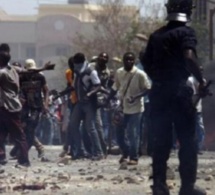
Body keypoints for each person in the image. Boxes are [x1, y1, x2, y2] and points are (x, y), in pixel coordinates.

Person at [141, 0, 206, 194]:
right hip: (179, 93)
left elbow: (145, 59)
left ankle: (159, 186)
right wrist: (200, 80)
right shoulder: (186, 32)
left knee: (161, 141)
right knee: (187, 140)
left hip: (159, 93)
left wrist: (158, 77)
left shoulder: (156, 35)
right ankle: (187, 187)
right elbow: (188, 56)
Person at [109, 52, 151, 165]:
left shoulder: (140, 74)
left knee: (133, 133)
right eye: (127, 59)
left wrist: (136, 97)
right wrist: (107, 99)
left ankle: (134, 157)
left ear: (134, 61)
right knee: (119, 133)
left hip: (136, 108)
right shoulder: (119, 72)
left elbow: (148, 88)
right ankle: (125, 152)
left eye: (131, 60)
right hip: (122, 107)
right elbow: (115, 87)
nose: (129, 62)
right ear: (123, 61)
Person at [0, 52, 30, 167]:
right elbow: (27, 70)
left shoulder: (2, 73)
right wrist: (43, 68)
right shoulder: (13, 69)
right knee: (2, 134)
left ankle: (24, 160)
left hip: (9, 107)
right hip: (9, 106)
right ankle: (2, 157)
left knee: (18, 135)